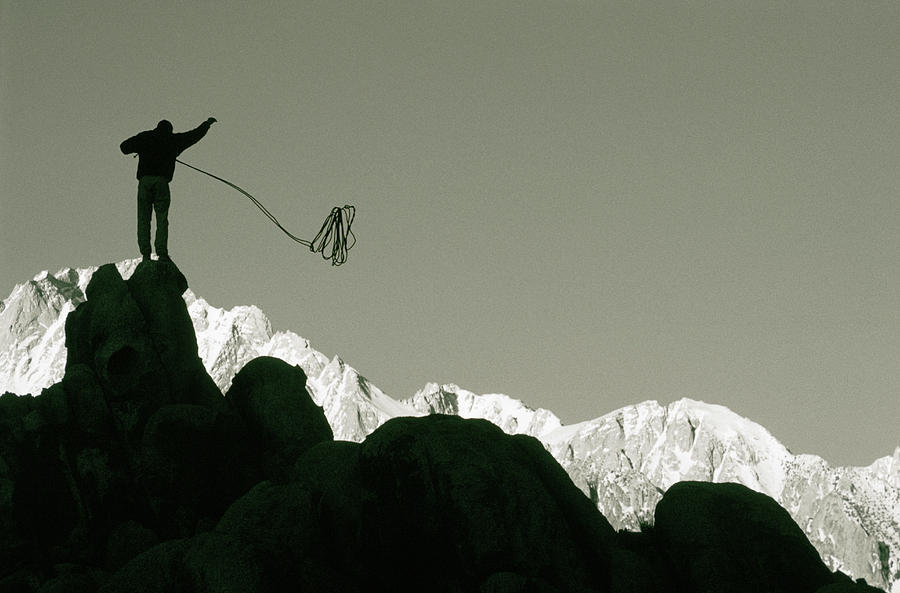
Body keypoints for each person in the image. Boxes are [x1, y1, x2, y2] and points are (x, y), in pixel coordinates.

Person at [120, 117, 217, 262]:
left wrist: (141, 147)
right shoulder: (174, 140)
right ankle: (161, 252)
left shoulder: (145, 136)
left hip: (145, 182)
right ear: (169, 130)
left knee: (143, 219)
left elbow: (124, 147)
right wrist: (207, 124)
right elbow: (194, 135)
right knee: (162, 218)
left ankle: (146, 254)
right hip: (162, 182)